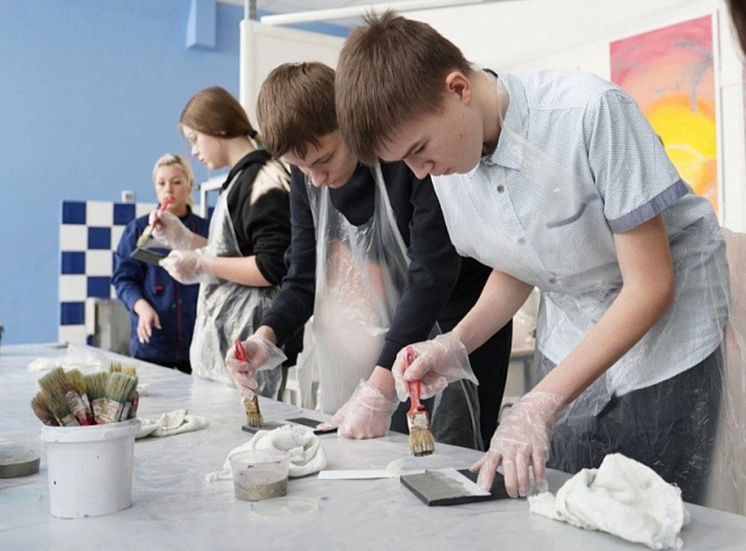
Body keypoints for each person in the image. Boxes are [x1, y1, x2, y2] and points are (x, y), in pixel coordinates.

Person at [334, 11, 729, 505]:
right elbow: (522, 261)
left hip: (670, 332)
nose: (419, 171)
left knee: (656, 506)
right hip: (572, 331)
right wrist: (456, 344)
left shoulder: (588, 114)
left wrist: (539, 402)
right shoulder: (450, 158)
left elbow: (650, 287)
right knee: (563, 499)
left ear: (457, 89)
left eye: (419, 149)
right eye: (405, 161)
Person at [225, 62, 512, 449]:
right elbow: (303, 274)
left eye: (324, 159)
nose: (316, 179)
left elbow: (433, 271)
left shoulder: (406, 156)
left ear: (350, 126)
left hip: (464, 322)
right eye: (300, 167)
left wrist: (379, 388)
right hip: (394, 331)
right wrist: (267, 336)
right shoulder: (306, 174)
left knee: (452, 453)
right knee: (382, 450)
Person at [152, 86, 301, 396]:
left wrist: (203, 263)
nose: (193, 151)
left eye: (195, 140)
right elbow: (235, 252)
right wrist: (184, 238)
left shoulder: (263, 178)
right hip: (227, 344)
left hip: (250, 350)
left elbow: (271, 266)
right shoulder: (238, 180)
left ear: (218, 127)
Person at [113, 154, 209, 373]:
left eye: (176, 182)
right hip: (152, 345)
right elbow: (123, 279)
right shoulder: (138, 230)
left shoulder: (206, 231)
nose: (169, 190)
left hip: (197, 344)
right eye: (162, 183)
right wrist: (141, 306)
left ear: (190, 185)